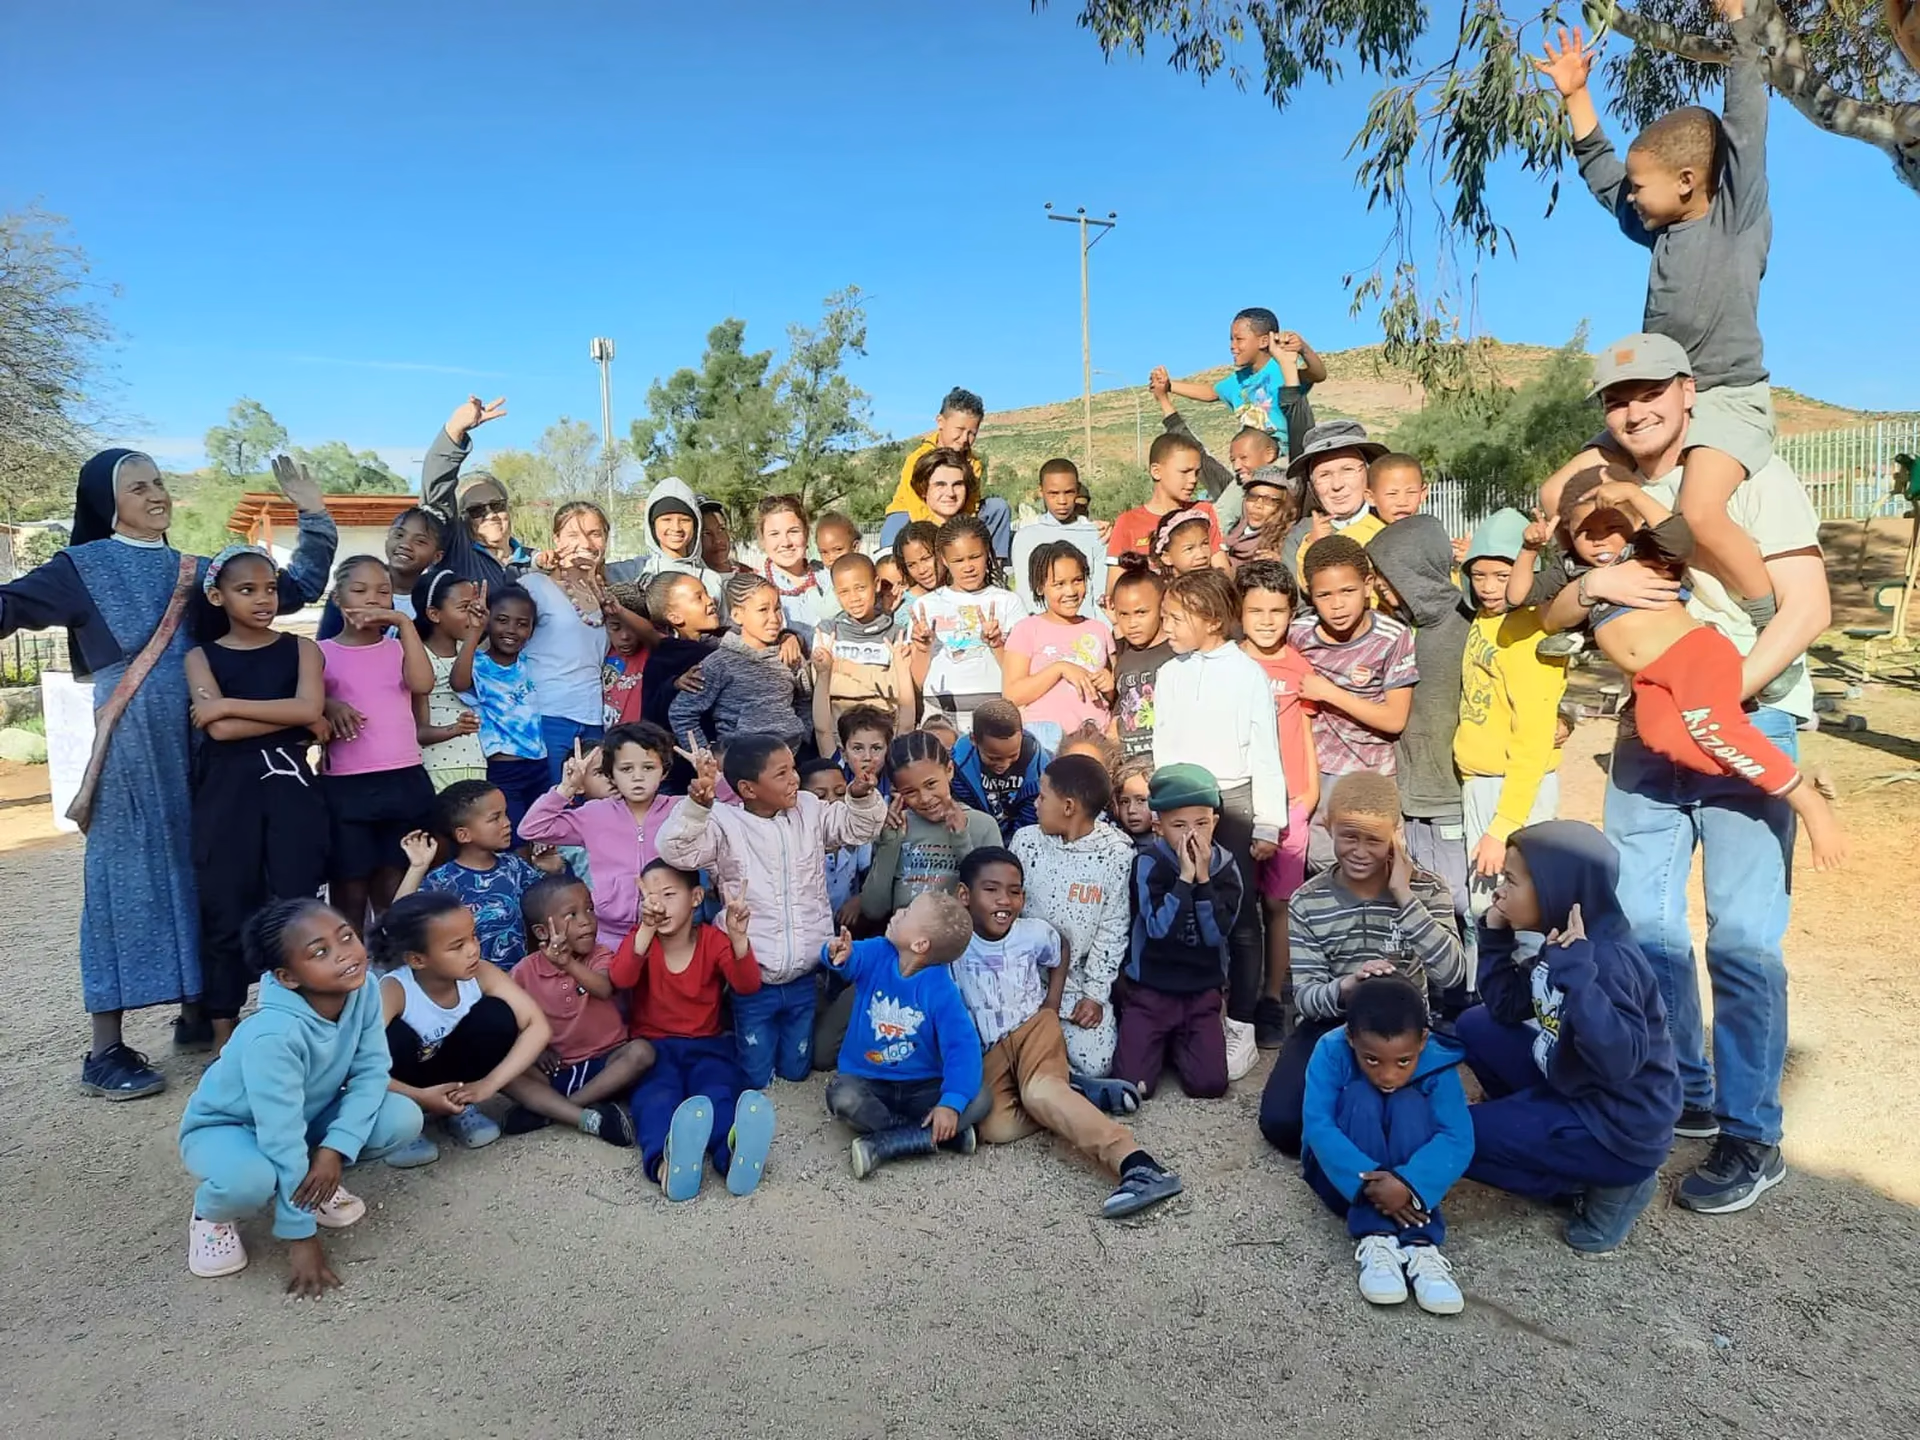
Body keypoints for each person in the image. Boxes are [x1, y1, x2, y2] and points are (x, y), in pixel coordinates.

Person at [1536, 332, 1832, 1214]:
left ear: (1689, 389)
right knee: (1648, 927)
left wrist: (1720, 705)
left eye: (1650, 390)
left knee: (1742, 939)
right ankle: (1686, 1090)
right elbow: (1552, 606)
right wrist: (1595, 586)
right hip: (1650, 728)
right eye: (1617, 397)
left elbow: (1807, 606)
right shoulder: (1599, 494)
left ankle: (1751, 1133)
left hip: (1745, 713)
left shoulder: (1745, 476)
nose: (1635, 409)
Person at [0, 450, 338, 1095]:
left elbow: (291, 587)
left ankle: (198, 1010)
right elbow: (8, 608)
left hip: (205, 746)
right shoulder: (81, 568)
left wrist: (315, 515)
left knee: (203, 870)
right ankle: (105, 1049)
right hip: (131, 746)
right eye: (138, 486)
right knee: (121, 879)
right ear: (107, 501)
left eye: (159, 483)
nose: (156, 494)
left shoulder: (199, 570)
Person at [1539, 2, 1780, 638]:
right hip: (1658, 402)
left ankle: (1769, 618)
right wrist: (1576, 94)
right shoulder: (1660, 228)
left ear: (1686, 179)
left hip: (1726, 396)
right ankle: (1599, 608)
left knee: (1699, 511)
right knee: (1554, 496)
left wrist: (1741, 26)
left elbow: (1746, 122)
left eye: (1641, 186)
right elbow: (1601, 175)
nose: (1632, 196)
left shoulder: (1736, 216)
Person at [1544, 469, 1845, 866]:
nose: (1600, 538)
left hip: (1691, 655)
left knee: (1714, 728)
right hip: (1650, 680)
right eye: (1586, 531)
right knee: (1659, 736)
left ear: (1633, 525)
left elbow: (1677, 537)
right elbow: (1549, 618)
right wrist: (1588, 580)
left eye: (1612, 526)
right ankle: (1779, 781)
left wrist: (1634, 495)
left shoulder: (1644, 554)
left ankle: (1807, 803)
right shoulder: (1580, 575)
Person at [1459, 821, 1683, 1253]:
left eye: (1511, 880)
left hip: (1616, 1125)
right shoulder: (1563, 939)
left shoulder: (1604, 959)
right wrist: (1495, 935)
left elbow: (1618, 1062)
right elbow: (1508, 1008)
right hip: (1574, 1083)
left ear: (1556, 887)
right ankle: (1536, 1132)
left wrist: (1578, 976)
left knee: (1456, 1136)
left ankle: (1606, 1182)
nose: (1499, 891)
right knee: (1475, 1024)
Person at [178, 900, 422, 1292]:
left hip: (307, 1115)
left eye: (346, 936)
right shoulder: (274, 1035)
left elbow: (371, 1072)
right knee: (251, 1180)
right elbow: (280, 1131)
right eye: (320, 952)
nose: (345, 953)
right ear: (287, 977)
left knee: (401, 1118)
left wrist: (332, 1151)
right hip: (230, 1127)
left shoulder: (364, 989)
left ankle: (312, 1181)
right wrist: (301, 1238)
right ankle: (212, 1214)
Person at [952, 848, 1185, 1218]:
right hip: (992, 1052)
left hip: (1035, 1031)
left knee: (1040, 1091)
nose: (1004, 901)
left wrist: (1052, 1004)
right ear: (964, 896)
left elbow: (1059, 945)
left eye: (1014, 892)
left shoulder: (1029, 934)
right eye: (991, 890)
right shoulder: (955, 944)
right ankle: (1077, 1090)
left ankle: (1137, 1165)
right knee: (996, 1127)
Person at [660, 733, 888, 1089]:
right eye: (782, 774)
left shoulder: (809, 810)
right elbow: (677, 850)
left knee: (797, 1069)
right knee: (755, 1075)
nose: (795, 778)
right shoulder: (724, 822)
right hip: (753, 971)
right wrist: (697, 808)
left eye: (793, 769)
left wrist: (859, 796)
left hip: (804, 971)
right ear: (749, 789)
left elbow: (857, 827)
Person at [1259, 773, 1466, 1157]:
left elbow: (1452, 974)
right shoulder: (1308, 899)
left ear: (1396, 835)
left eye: (1374, 839)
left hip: (1401, 1029)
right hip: (1332, 1024)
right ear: (1329, 827)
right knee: (1282, 1124)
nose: (1360, 851)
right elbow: (1305, 997)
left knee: (1417, 1128)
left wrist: (1404, 896)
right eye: (1349, 836)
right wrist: (1346, 987)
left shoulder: (1428, 888)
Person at [185, 546, 329, 1054]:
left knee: (296, 903)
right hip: (227, 799)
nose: (263, 599)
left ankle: (304, 1026)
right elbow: (221, 733)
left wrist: (226, 703)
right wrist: (293, 717)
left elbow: (312, 706)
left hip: (292, 794)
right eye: (247, 590)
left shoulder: (302, 649)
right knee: (225, 904)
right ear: (217, 595)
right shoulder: (200, 656)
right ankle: (225, 1036)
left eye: (270, 588)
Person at [1151, 569, 1286, 1025]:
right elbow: (1162, 746)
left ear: (1210, 619)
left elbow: (1266, 750)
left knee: (1240, 911)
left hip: (1232, 803)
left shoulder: (1248, 674)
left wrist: (1267, 822)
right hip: (1181, 804)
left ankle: (1245, 1018)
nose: (1165, 627)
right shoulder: (1169, 673)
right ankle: (1192, 1010)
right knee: (1184, 899)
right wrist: (1163, 807)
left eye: (1174, 618)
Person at [1300, 974, 1470, 1315]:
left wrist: (1408, 1184)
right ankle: (1376, 1236)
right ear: (1351, 1038)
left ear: (1422, 1041)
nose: (1388, 1075)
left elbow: (1457, 1136)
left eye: (1403, 1061)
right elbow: (1318, 1125)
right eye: (1373, 1060)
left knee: (1408, 1103)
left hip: (1412, 1193)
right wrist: (1371, 1181)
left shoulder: (1438, 1059)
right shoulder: (1331, 1050)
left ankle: (1421, 1244)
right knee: (1362, 1095)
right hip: (1346, 1182)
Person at [615, 860, 775, 1200]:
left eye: (670, 894)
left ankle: (731, 1156)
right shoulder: (641, 940)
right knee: (655, 1099)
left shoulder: (712, 940)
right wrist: (644, 929)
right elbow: (620, 979)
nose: (659, 905)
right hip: (655, 1049)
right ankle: (665, 1165)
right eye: (650, 897)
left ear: (696, 897)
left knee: (717, 1092)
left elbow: (747, 985)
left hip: (707, 1046)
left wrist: (739, 938)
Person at [371, 892, 553, 1165]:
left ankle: (457, 1107)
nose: (473, 949)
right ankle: (402, 1125)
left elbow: (537, 1026)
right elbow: (359, 1064)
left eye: (473, 936)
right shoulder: (393, 989)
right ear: (417, 960)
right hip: (405, 1087)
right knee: (390, 1038)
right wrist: (420, 1097)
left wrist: (486, 1086)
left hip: (450, 1076)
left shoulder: (482, 972)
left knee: (496, 1014)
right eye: (457, 946)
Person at [821, 893, 988, 1178]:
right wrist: (837, 954)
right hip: (869, 1080)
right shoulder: (879, 951)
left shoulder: (941, 990)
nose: (898, 911)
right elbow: (852, 959)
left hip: (922, 1086)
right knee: (843, 1096)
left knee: (980, 1098)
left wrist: (950, 1103)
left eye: (908, 912)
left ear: (920, 944)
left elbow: (962, 1047)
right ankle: (924, 1135)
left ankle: (888, 1143)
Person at [1454, 510, 1569, 916]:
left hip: (1513, 791)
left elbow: (1534, 740)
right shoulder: (1484, 619)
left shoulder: (1529, 632)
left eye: (1502, 577)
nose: (1487, 588)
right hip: (1482, 783)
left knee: (1514, 916)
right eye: (1478, 575)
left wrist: (1502, 828)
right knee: (1483, 913)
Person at [1369, 515, 1474, 948]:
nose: (1379, 586)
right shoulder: (1405, 630)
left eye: (1387, 576)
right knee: (1430, 899)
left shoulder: (1467, 624)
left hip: (1450, 793)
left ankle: (1476, 996)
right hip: (1414, 796)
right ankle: (1448, 999)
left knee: (1465, 904)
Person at [320, 556, 438, 929]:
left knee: (395, 886)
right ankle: (350, 977)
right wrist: (328, 704)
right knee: (349, 888)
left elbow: (423, 684)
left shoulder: (399, 649)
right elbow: (303, 703)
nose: (373, 599)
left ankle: (392, 976)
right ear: (338, 598)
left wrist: (404, 623)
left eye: (383, 592)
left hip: (403, 779)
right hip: (347, 786)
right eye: (359, 591)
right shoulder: (320, 652)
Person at [1113, 764, 1243, 1100]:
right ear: (1159, 827)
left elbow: (1216, 935)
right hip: (1151, 990)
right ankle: (1158, 1042)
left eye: (1201, 823)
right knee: (1135, 1087)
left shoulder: (1227, 867)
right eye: (1178, 825)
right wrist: (1184, 881)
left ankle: (1179, 1044)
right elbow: (1157, 928)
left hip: (1201, 991)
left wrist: (1203, 881)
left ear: (1214, 821)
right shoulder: (1149, 863)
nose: (1191, 834)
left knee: (1209, 1085)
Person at [1292, 535, 1418, 871]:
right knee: (1323, 868)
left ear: (1368, 585)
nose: (1337, 605)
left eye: (1347, 591)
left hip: (1373, 775)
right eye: (1324, 595)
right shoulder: (1297, 634)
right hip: (1318, 776)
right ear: (1310, 594)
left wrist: (1329, 693)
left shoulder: (1392, 637)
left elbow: (1394, 719)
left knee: (1376, 869)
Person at [1010, 755, 1136, 1083]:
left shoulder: (1117, 853)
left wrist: (1095, 995)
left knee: (1096, 1063)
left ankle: (1057, 1077)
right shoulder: (1026, 842)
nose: (1035, 804)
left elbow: (1113, 927)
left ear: (1068, 806)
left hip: (1078, 982)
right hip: (1026, 978)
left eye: (1042, 796)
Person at [1236, 560, 1320, 1048]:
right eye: (1256, 610)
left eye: (1278, 610)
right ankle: (1239, 997)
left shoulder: (1298, 665)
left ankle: (1272, 998)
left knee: (1277, 903)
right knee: (1241, 903)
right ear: (1239, 612)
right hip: (1242, 801)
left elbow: (1305, 729)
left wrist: (1308, 792)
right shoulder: (1229, 661)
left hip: (1290, 799)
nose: (1267, 620)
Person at [502, 875, 654, 1145]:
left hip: (607, 1062)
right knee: (502, 1073)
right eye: (571, 914)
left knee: (642, 1052)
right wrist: (537, 1051)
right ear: (541, 932)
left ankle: (559, 1110)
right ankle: (584, 1114)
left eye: (590, 909)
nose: (586, 920)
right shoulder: (524, 971)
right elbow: (510, 1020)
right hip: (558, 1068)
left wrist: (568, 964)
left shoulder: (600, 954)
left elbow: (605, 987)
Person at [520, 722, 679, 953]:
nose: (637, 777)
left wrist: (714, 782)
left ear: (663, 771)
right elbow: (531, 828)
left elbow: (728, 814)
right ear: (611, 774)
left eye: (648, 767)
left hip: (669, 931)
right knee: (612, 986)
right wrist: (566, 788)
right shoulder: (593, 815)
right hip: (609, 934)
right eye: (626, 769)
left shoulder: (679, 810)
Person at [402, 780, 547, 972]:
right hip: (468, 987)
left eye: (505, 814)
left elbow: (545, 907)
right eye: (495, 818)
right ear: (463, 835)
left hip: (519, 981)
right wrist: (417, 867)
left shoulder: (515, 867)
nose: (507, 823)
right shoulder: (442, 881)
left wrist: (551, 870)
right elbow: (399, 922)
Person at [521, 502, 618, 782]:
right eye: (573, 535)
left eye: (594, 533)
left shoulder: (607, 594)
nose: (585, 543)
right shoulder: (534, 587)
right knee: (555, 802)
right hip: (547, 715)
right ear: (556, 540)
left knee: (592, 809)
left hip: (594, 718)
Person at [862, 731, 1004, 921]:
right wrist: (889, 845)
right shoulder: (895, 829)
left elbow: (990, 901)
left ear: (950, 770)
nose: (925, 799)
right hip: (905, 942)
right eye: (910, 792)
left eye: (931, 784)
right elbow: (873, 909)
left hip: (962, 942)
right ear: (897, 792)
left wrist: (961, 839)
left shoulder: (982, 825)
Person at [908, 516, 1030, 734]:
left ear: (988, 553)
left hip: (996, 713)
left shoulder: (1009, 602)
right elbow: (916, 682)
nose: (968, 567)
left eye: (975, 557)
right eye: (958, 560)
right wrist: (922, 649)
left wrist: (997, 644)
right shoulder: (925, 607)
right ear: (944, 560)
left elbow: (1019, 675)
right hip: (940, 717)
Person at [671, 573, 809, 756]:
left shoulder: (788, 654)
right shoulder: (719, 663)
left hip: (791, 763)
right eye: (762, 610)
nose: (774, 618)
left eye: (777, 609)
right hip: (741, 767)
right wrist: (706, 760)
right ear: (737, 615)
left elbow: (805, 699)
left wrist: (803, 734)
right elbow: (681, 713)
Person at [450, 581, 548, 838]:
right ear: (488, 621)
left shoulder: (530, 664)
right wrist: (474, 632)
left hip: (539, 766)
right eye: (502, 620)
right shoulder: (478, 664)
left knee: (543, 838)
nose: (512, 630)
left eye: (522, 623)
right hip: (504, 771)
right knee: (515, 839)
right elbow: (458, 682)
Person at [1158, 309, 1325, 448]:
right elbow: (1211, 392)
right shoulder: (1237, 380)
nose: (1232, 346)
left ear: (1264, 341)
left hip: (1287, 456)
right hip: (1253, 461)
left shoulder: (1283, 366)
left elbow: (1318, 374)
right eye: (1231, 339)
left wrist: (1303, 348)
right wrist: (1169, 385)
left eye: (1239, 339)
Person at [879, 386, 1013, 558]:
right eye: (959, 430)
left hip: (954, 516)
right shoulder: (918, 459)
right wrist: (937, 538)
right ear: (940, 422)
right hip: (913, 514)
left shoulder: (974, 464)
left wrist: (961, 533)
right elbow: (916, 505)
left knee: (997, 507)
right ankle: (892, 568)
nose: (965, 439)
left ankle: (994, 564)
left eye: (972, 433)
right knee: (896, 524)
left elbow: (971, 505)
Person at [420, 394, 531, 592]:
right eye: (476, 510)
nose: (490, 515)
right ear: (463, 518)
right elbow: (436, 496)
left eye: (496, 505)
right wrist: (454, 430)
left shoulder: (539, 563)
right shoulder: (456, 555)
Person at [1003, 543, 1114, 737]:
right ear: (1040, 587)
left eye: (1078, 580)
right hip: (1045, 741)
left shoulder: (1100, 629)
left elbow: (1113, 694)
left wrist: (1110, 686)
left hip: (1095, 739)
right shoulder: (1027, 629)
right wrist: (1060, 669)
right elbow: (1012, 695)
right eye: (1059, 584)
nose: (1070, 591)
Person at [811, 552, 914, 758]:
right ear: (836, 593)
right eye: (844, 591)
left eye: (860, 588)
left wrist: (844, 668)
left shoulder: (897, 633)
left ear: (876, 584)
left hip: (883, 745)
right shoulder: (827, 633)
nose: (854, 598)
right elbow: (823, 687)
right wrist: (878, 688)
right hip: (839, 743)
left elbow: (898, 691)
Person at [638, 571, 723, 793]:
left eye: (707, 594)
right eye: (698, 597)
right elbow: (650, 712)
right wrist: (673, 686)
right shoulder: (665, 657)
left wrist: (788, 636)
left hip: (726, 765)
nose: (710, 601)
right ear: (674, 617)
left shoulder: (727, 644)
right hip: (679, 776)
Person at [1106, 433, 1222, 594]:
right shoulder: (1128, 522)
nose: (1193, 479)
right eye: (1185, 471)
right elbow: (1115, 589)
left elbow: (1222, 571)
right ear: (1156, 471)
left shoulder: (1203, 512)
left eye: (1196, 472)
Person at [315, 505, 449, 641]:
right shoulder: (350, 588)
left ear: (437, 556)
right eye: (399, 535)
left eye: (420, 541)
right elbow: (325, 647)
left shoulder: (437, 600)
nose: (405, 544)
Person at [1278, 421, 1390, 579]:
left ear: (1368, 473)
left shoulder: (1390, 522)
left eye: (1347, 470)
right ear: (1312, 486)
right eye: (1324, 475)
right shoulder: (1301, 536)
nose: (1337, 485)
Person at [411, 570, 488, 791]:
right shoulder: (419, 658)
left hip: (475, 762)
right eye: (465, 608)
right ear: (435, 614)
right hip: (437, 767)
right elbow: (421, 732)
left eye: (475, 607)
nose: (473, 615)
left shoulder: (468, 651)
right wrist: (456, 728)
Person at [604, 476, 728, 601]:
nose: (676, 528)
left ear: (696, 525)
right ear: (652, 525)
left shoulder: (710, 580)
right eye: (666, 520)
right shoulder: (636, 571)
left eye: (685, 520)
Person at [1010, 458, 1104, 617]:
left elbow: (1100, 594)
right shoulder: (1025, 538)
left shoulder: (1096, 535)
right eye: (1053, 493)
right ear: (1041, 491)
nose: (1062, 501)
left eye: (1069, 492)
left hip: (1086, 634)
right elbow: (1026, 595)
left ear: (1078, 490)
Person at [944, 699, 1048, 842]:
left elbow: (1032, 814)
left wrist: (1013, 844)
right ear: (974, 739)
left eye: (1012, 755)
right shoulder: (960, 763)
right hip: (977, 834)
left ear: (1021, 735)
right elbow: (966, 809)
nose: (1003, 764)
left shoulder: (1035, 758)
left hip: (1021, 836)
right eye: (993, 758)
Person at [1108, 565, 1171, 760]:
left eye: (1141, 612)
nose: (1132, 623)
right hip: (1131, 766)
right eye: (1123, 614)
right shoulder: (1123, 661)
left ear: (1162, 607)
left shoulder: (1178, 653)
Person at [800, 757, 872, 926]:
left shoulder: (858, 837)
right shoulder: (798, 843)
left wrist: (860, 900)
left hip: (845, 930)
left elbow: (871, 880)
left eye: (840, 792)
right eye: (820, 796)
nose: (832, 800)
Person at [757, 494, 834, 645]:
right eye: (774, 534)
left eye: (793, 531)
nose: (786, 542)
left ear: (806, 533)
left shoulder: (829, 576)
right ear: (762, 540)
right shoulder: (756, 587)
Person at [1222, 465, 1300, 572]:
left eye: (1269, 500)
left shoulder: (1289, 541)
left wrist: (1283, 563)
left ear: (1284, 506)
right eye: (1253, 497)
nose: (1258, 505)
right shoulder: (1234, 531)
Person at [601, 580, 651, 729]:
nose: (624, 636)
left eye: (632, 627)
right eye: (615, 627)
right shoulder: (600, 652)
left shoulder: (652, 651)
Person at [889, 520, 947, 626]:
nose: (921, 570)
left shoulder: (963, 592)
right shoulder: (904, 607)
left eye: (926, 558)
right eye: (911, 565)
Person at [1367, 454, 1431, 527]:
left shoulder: (1428, 532)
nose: (1402, 502)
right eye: (1392, 494)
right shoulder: (1360, 536)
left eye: (1411, 492)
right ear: (1371, 497)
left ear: (1423, 494)